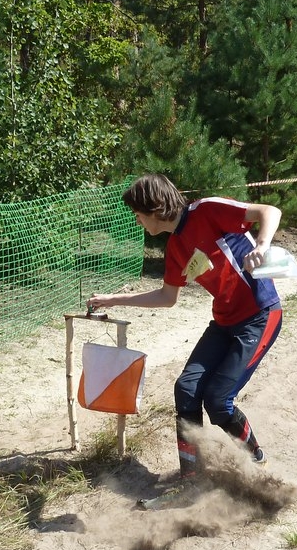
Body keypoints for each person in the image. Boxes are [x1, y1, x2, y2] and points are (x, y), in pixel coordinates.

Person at [87, 173, 283, 506]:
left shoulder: (206, 211)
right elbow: (167, 296)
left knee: (218, 401)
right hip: (223, 323)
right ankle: (191, 481)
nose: (136, 220)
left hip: (259, 316)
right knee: (186, 389)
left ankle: (256, 460)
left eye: (137, 213)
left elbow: (270, 211)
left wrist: (262, 247)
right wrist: (113, 300)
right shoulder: (176, 247)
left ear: (153, 207)